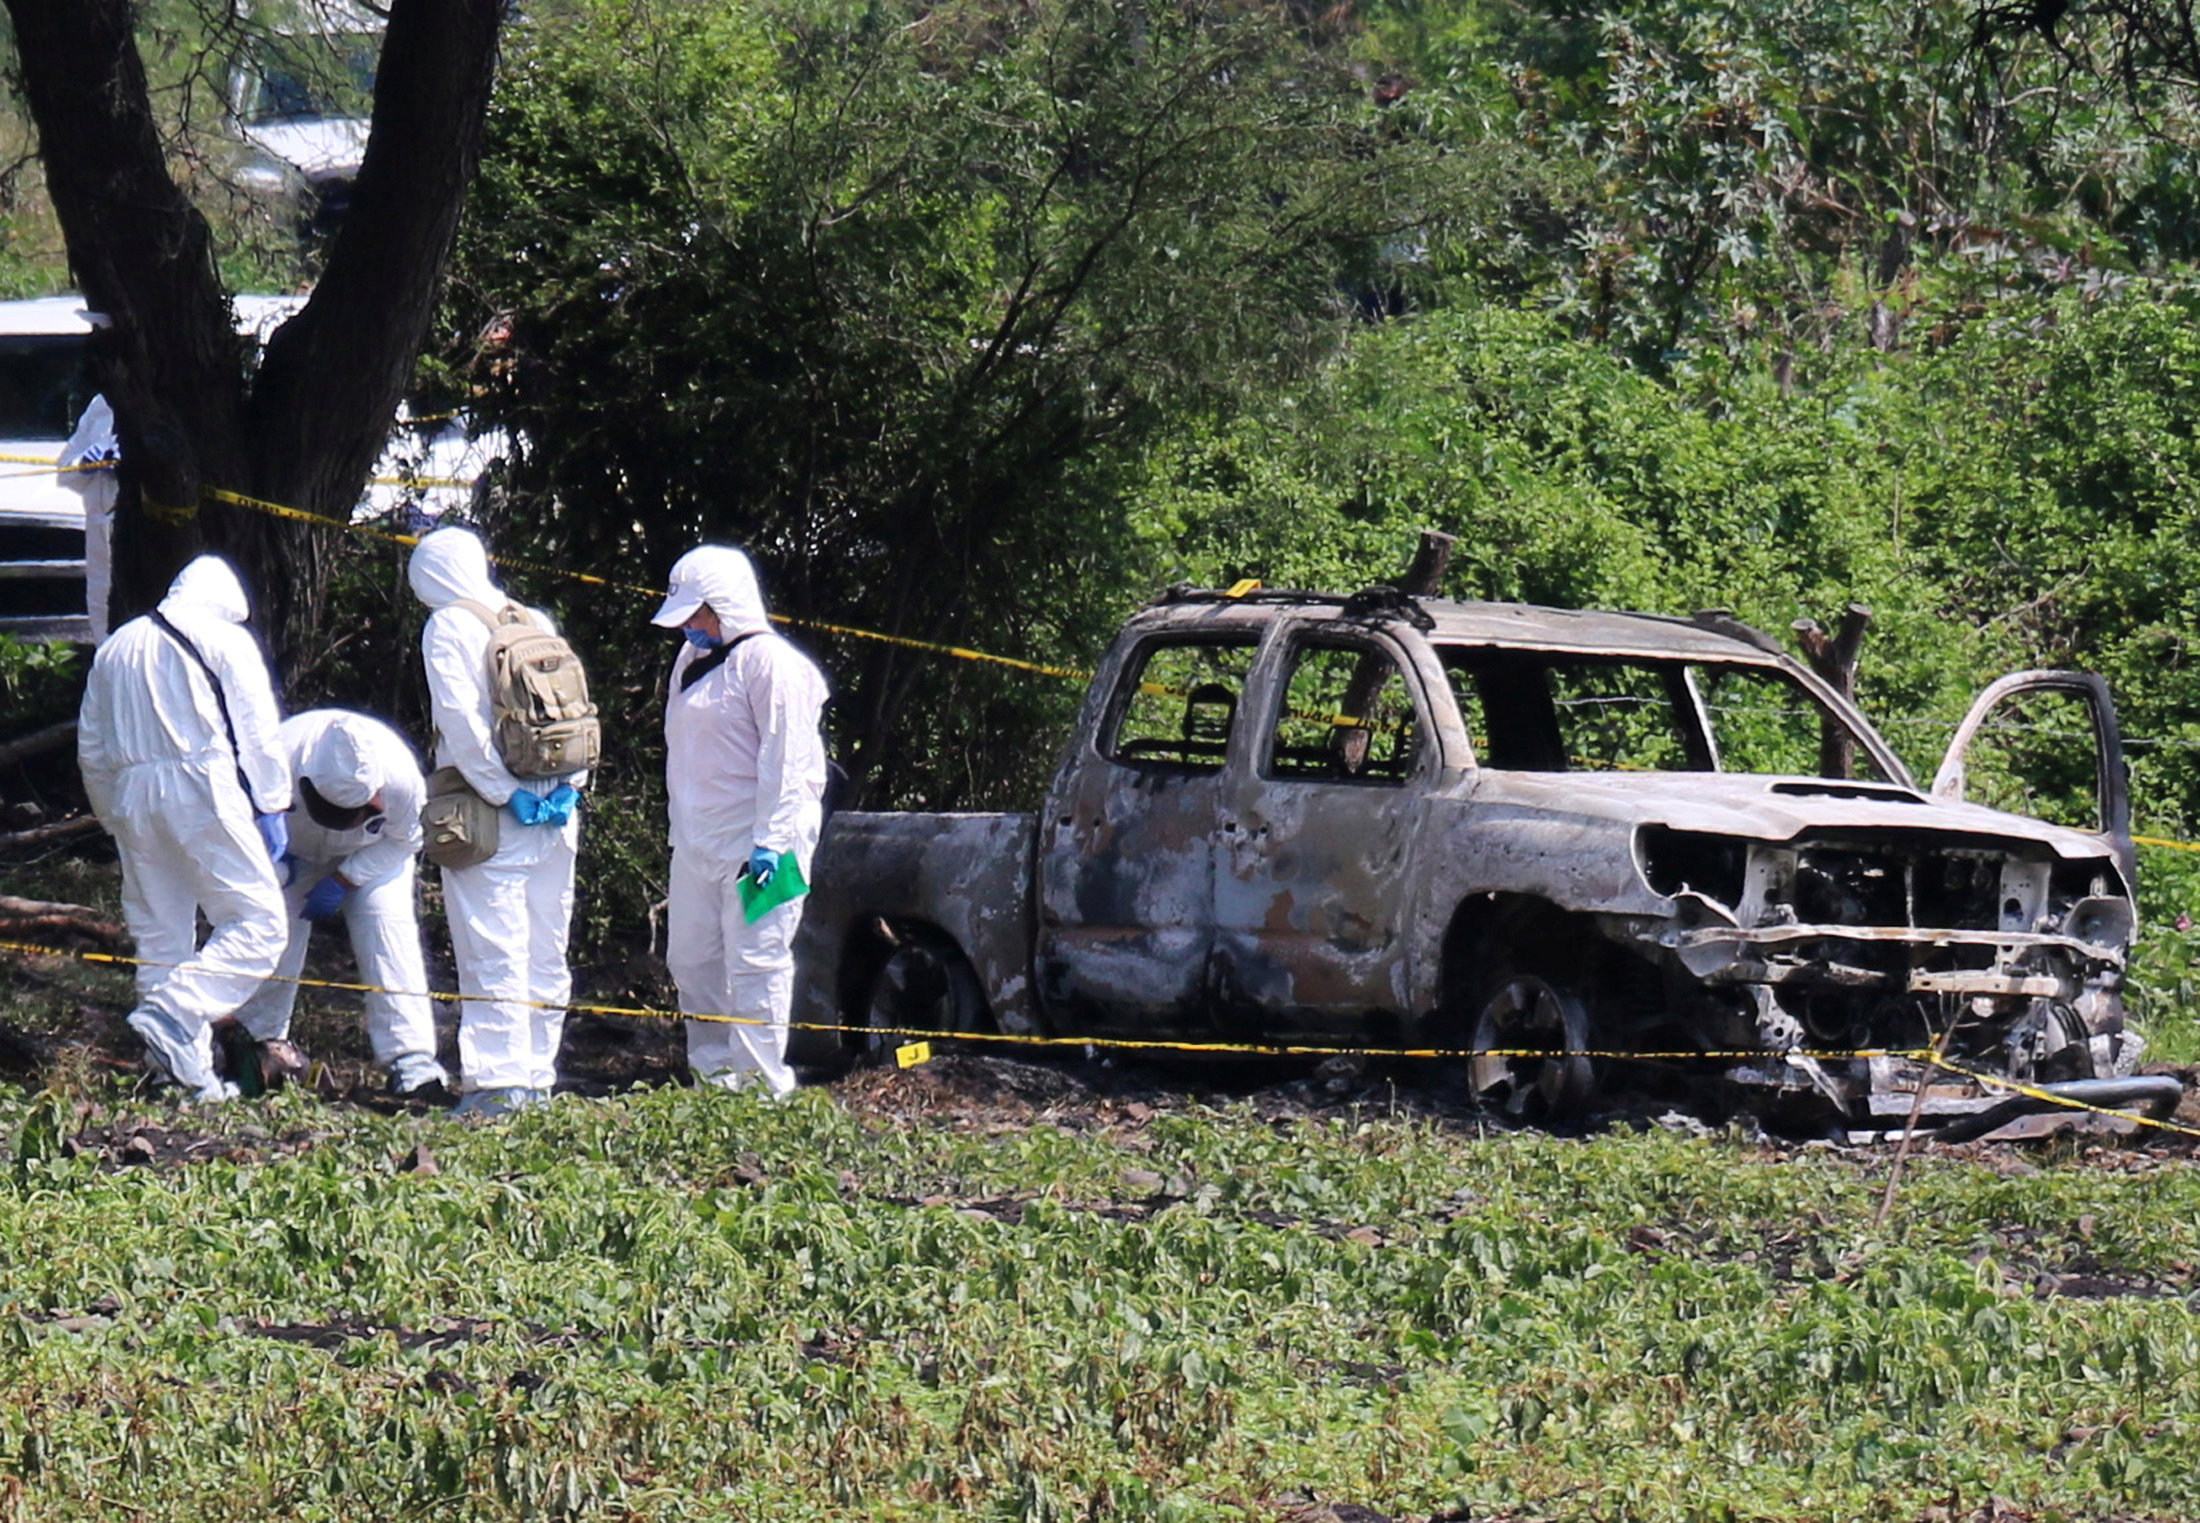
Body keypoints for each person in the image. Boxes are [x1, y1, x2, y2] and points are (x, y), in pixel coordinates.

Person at [77, 554, 291, 1102]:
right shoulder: (223, 637)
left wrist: (111, 814)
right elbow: (258, 729)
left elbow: (92, 746)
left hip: (130, 794)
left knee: (161, 932)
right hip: (201, 782)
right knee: (260, 924)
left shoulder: (117, 646)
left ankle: (180, 1073)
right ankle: (175, 1012)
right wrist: (272, 802)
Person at [407, 526, 583, 1116]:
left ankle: (496, 1084)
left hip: (491, 812)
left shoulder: (447, 626)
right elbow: (574, 716)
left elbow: (462, 725)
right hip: (557, 811)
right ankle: (538, 1075)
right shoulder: (531, 617)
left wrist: (505, 794)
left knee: (492, 942)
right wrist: (567, 789)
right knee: (545, 943)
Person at [653, 544, 829, 1096]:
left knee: (757, 961)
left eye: (697, 613)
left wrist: (772, 843)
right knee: (692, 958)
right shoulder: (689, 661)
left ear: (725, 604)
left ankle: (761, 1088)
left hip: (764, 846)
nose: (690, 626)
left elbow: (788, 760)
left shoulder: (772, 664)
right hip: (698, 844)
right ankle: (713, 1076)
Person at [231, 709, 451, 1098]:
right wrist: (272, 863)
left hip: (374, 855)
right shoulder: (275, 758)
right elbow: (239, 825)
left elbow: (406, 840)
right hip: (289, 857)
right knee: (271, 936)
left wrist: (343, 878)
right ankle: (260, 1047)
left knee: (388, 931)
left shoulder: (400, 777)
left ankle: (411, 1062)